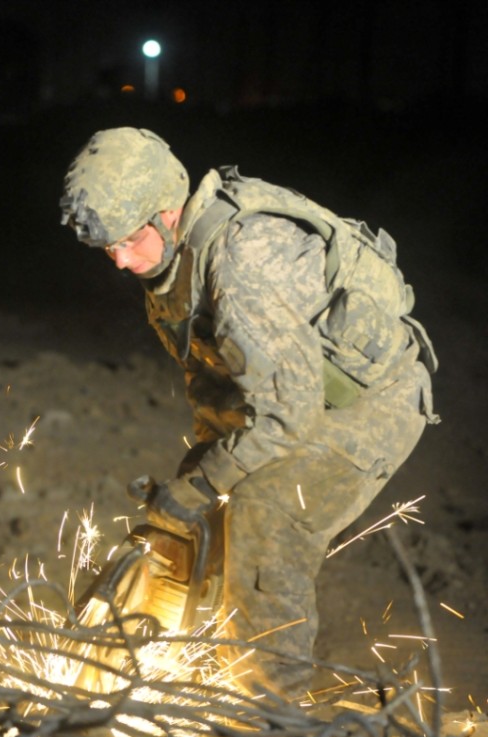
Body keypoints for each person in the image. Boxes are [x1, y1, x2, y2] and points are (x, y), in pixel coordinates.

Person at [60, 127, 438, 698]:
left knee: (265, 515)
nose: (118, 261)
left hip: (371, 401)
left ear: (168, 212)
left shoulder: (242, 261)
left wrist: (210, 483)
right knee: (186, 521)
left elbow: (288, 414)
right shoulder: (168, 266)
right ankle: (157, 679)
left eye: (129, 240)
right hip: (297, 399)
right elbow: (218, 392)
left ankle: (267, 721)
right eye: (106, 248)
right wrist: (194, 491)